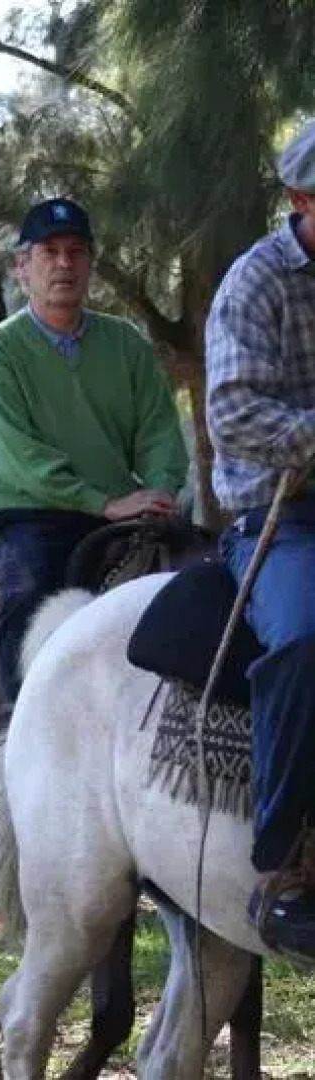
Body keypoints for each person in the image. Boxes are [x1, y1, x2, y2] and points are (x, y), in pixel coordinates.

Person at [0, 196, 190, 701]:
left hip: (126, 511)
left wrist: (158, 488)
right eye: (49, 251)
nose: (64, 263)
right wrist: (104, 503)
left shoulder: (126, 344)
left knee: (205, 579)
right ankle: (23, 738)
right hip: (32, 516)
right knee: (29, 604)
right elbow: (18, 457)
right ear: (22, 267)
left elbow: (158, 430)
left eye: (76, 251)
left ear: (90, 263)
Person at [204, 119, 315, 960]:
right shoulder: (257, 282)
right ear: (301, 200)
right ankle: (281, 869)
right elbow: (232, 412)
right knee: (307, 636)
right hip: (282, 520)